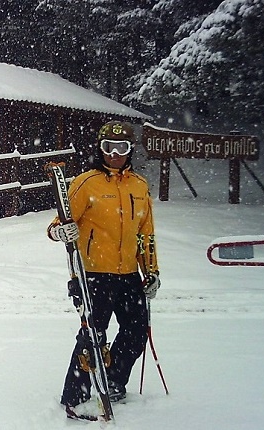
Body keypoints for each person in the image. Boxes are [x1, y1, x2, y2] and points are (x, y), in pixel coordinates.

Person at [47, 120, 160, 418]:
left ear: (130, 150)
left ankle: (112, 382)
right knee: (93, 336)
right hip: (93, 274)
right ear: (100, 148)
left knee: (136, 332)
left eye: (121, 148)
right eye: (108, 148)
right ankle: (75, 397)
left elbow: (145, 235)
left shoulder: (139, 185)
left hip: (128, 275)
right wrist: (60, 233)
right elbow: (59, 222)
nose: (115, 154)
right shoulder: (87, 183)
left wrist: (151, 272)